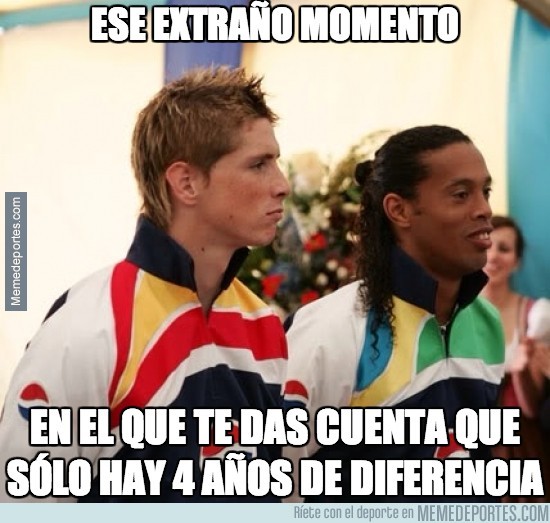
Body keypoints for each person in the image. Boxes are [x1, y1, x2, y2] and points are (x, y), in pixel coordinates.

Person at [0, 66, 290, 502]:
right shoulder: (90, 328)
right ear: (186, 182)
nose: (282, 185)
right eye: (259, 165)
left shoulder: (263, 325)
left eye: (276, 162)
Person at [283, 125, 506, 502]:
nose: (484, 209)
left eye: (485, 192)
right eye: (460, 194)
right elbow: (276, 481)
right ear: (399, 210)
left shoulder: (487, 322)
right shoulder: (330, 330)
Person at [481, 215, 550, 502]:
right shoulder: (450, 314)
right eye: (487, 245)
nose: (494, 255)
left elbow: (532, 407)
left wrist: (522, 370)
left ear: (517, 261)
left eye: (504, 248)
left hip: (519, 447)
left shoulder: (537, 315)